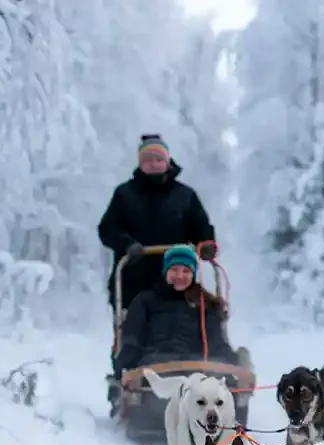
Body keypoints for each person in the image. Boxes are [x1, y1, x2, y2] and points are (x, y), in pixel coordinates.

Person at [97, 134, 218, 312]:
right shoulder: (124, 194)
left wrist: (206, 244)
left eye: (158, 159)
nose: (153, 164)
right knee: (134, 328)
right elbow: (108, 229)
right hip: (134, 277)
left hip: (177, 278)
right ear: (140, 164)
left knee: (180, 328)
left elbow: (199, 225)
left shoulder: (185, 196)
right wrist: (127, 244)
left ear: (167, 162)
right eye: (147, 160)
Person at [113, 244, 237, 382]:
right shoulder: (146, 300)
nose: (179, 276)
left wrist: (230, 363)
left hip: (196, 367)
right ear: (166, 271)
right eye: (174, 270)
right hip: (154, 365)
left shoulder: (205, 304)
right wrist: (128, 357)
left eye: (186, 271)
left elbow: (215, 340)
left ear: (193, 275)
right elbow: (133, 333)